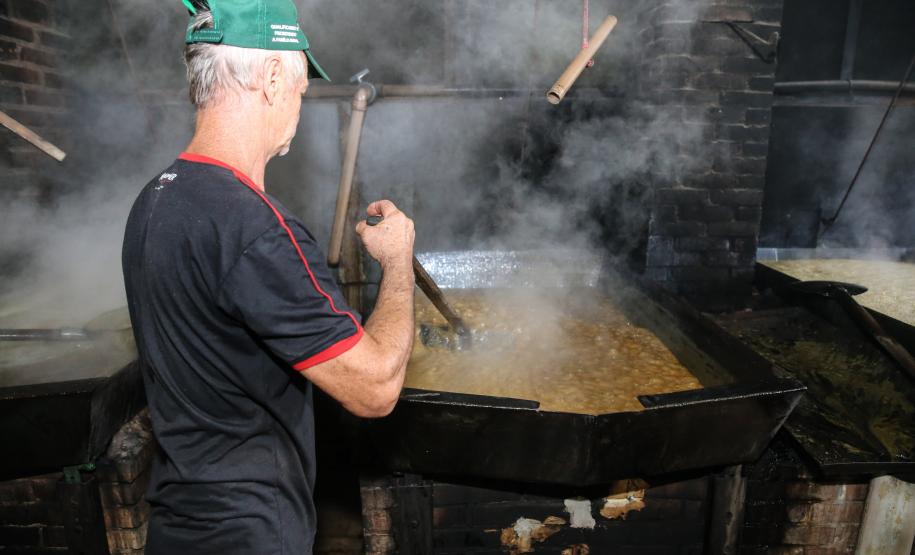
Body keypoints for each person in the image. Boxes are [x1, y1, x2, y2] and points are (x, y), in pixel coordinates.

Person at [121, 1, 415, 553]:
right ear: (274, 77)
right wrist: (398, 263)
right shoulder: (256, 229)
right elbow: (375, 389)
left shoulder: (155, 199)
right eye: (301, 89)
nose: (298, 106)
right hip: (249, 533)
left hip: (178, 528)